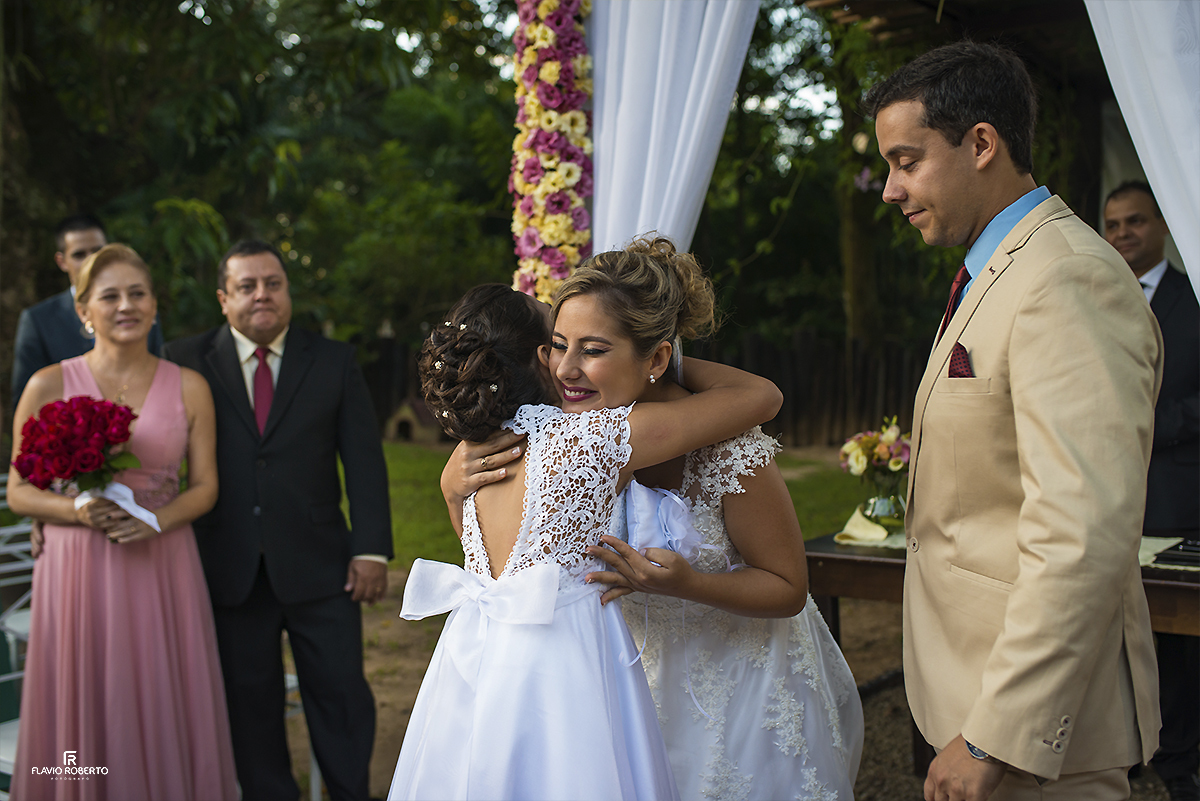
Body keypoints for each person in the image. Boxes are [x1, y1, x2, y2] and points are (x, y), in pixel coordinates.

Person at [442, 238, 863, 799]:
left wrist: (690, 585)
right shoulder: (564, 444)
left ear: (658, 358)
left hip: (740, 697)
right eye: (558, 345)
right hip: (617, 692)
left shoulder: (727, 449)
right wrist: (455, 494)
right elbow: (510, 567)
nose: (565, 369)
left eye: (593, 350)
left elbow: (788, 587)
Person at [862, 41, 1163, 801]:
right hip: (972, 691)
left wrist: (995, 729)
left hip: (1037, 738)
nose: (891, 189)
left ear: (983, 143)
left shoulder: (1067, 276)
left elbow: (1082, 531)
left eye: (907, 160)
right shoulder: (998, 269)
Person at [390, 282, 783, 800]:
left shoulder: (473, 452)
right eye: (557, 342)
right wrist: (667, 362)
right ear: (540, 358)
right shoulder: (593, 439)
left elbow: (478, 546)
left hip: (475, 650)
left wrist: (448, 492)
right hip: (564, 649)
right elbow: (762, 397)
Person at [162, 240, 392, 801]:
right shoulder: (184, 360)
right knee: (249, 702)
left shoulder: (334, 360)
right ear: (223, 299)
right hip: (227, 565)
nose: (262, 295)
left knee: (340, 696)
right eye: (247, 286)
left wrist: (371, 549)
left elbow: (362, 459)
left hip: (323, 566)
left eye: (273, 283)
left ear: (287, 291)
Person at [7, 243, 237, 800]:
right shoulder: (47, 385)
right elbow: (19, 491)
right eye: (109, 296)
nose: (126, 305)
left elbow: (205, 486)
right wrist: (76, 508)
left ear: (155, 306)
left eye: (138, 293)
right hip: (74, 566)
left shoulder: (190, 386)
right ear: (84, 310)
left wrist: (155, 522)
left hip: (160, 561)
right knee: (84, 696)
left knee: (159, 690)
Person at [1103, 180, 1199, 801]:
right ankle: (1129, 745)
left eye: (1135, 221)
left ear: (1162, 225)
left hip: (1173, 488)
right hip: (1106, 494)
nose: (1123, 234)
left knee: (1177, 635)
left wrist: (1159, 427)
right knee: (1113, 624)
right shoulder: (1096, 296)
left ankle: (1181, 754)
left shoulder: (1193, 300)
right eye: (1112, 224)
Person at [12, 214, 164, 403]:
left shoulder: (139, 310)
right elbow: (26, 402)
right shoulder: (38, 320)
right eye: (79, 254)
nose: (91, 259)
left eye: (97, 250)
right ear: (62, 261)